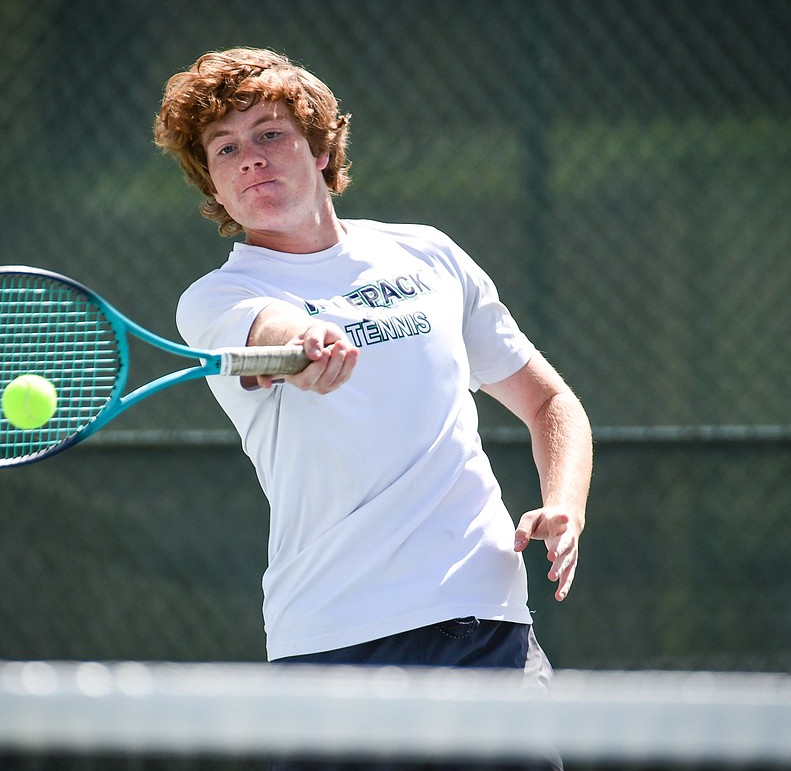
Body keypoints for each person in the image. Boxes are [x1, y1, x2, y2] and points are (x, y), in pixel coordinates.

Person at [154, 47, 592, 770]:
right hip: (332, 641)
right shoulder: (214, 300)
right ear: (215, 187)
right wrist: (307, 343)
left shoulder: (431, 256)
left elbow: (549, 400)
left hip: (485, 625)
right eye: (225, 149)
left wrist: (565, 504)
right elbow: (275, 337)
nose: (251, 159)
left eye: (270, 133)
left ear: (321, 147)